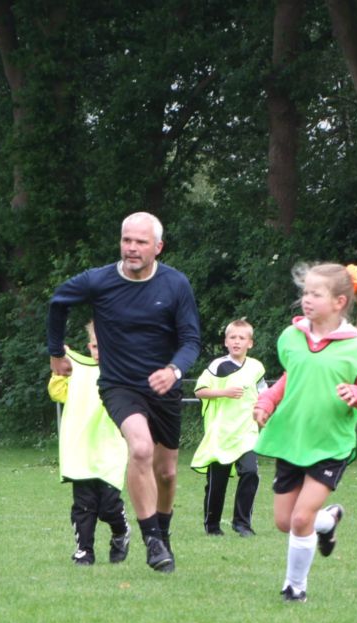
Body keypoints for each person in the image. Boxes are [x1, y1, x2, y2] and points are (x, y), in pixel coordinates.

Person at [46, 212, 200, 573]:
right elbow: (58, 302)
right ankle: (151, 540)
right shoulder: (99, 280)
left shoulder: (176, 284)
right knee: (140, 448)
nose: (131, 248)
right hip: (119, 385)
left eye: (140, 242)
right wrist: (55, 352)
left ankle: (163, 532)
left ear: (158, 247)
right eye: (126, 240)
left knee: (167, 472)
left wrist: (174, 370)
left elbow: (191, 340)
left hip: (163, 387)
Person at [253, 263, 357, 602]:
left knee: (300, 519)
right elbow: (289, 379)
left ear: (340, 302)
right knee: (285, 521)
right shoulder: (291, 338)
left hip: (330, 445)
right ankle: (327, 521)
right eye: (305, 292)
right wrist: (266, 402)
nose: (306, 299)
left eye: (316, 294)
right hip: (292, 440)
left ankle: (295, 587)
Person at [48, 321, 131, 566]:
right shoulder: (77, 369)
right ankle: (84, 550)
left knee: (109, 505)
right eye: (95, 346)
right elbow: (57, 393)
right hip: (80, 449)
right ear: (89, 346)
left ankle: (120, 531)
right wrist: (59, 370)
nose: (99, 352)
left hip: (110, 448)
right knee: (84, 505)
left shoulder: (122, 371)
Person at [190, 318, 266, 537]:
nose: (236, 341)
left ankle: (242, 524)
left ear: (250, 343)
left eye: (242, 338)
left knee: (250, 472)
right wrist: (224, 392)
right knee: (218, 482)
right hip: (221, 434)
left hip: (247, 432)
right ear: (225, 342)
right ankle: (212, 525)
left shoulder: (256, 367)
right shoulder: (218, 365)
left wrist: (264, 411)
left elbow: (264, 393)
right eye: (232, 337)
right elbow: (199, 391)